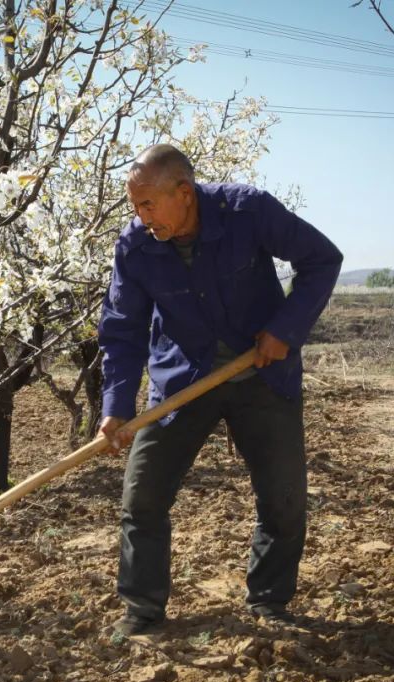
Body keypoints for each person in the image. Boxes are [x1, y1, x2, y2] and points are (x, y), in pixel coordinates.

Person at [97, 144, 342, 635]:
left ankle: (269, 602)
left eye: (148, 205)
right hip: (182, 379)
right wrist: (115, 408)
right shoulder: (136, 245)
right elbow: (123, 329)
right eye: (135, 207)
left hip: (261, 374)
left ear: (184, 193)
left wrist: (285, 329)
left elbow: (322, 259)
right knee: (141, 496)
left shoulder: (247, 210)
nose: (141, 217)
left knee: (283, 499)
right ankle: (142, 609)